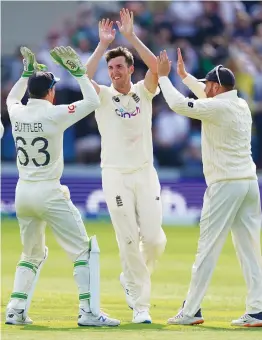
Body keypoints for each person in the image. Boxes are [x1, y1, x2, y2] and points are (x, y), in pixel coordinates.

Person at [5, 46, 120, 327]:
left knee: (31, 254)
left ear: (29, 92)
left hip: (23, 192)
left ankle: (15, 310)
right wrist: (79, 73)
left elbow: (10, 97)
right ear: (51, 92)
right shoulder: (55, 113)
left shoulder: (17, 112)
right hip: (48, 191)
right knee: (84, 249)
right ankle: (89, 312)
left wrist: (25, 74)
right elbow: (93, 101)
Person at [157, 48, 262, 327]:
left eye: (207, 85)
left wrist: (164, 78)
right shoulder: (239, 104)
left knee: (207, 249)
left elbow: (180, 105)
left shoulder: (217, 107)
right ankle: (257, 310)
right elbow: (206, 96)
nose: (205, 89)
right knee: (250, 250)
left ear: (216, 86)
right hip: (249, 185)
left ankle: (191, 310)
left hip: (225, 185)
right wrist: (185, 76)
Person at [85, 9, 167, 324]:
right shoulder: (102, 96)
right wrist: (103, 45)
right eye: (111, 68)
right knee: (129, 239)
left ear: (130, 68)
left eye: (120, 66)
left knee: (155, 239)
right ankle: (140, 304)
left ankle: (130, 278)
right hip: (115, 175)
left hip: (145, 174)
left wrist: (131, 37)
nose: (115, 71)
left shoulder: (143, 93)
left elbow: (158, 69)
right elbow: (83, 77)